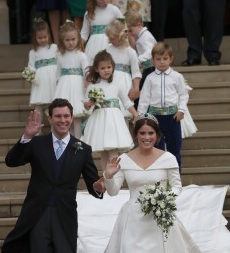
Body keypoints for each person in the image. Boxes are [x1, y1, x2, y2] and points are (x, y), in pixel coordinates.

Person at [1, 98, 104, 253]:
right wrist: (27, 136)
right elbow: (11, 161)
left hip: (65, 214)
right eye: (58, 116)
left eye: (66, 116)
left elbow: (93, 185)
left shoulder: (83, 149)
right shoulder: (36, 143)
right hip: (37, 213)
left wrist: (101, 185)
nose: (62, 120)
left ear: (71, 118)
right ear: (49, 119)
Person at [103, 113, 201, 252]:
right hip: (133, 220)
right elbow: (113, 192)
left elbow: (176, 186)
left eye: (151, 133)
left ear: (157, 135)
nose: (147, 137)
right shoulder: (124, 159)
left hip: (160, 216)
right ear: (136, 135)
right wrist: (108, 176)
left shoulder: (168, 158)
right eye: (142, 133)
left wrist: (162, 198)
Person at [83, 51, 138, 170]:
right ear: (97, 69)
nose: (107, 70)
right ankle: (106, 178)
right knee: (103, 152)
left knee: (113, 149)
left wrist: (136, 115)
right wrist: (90, 103)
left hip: (114, 121)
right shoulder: (92, 86)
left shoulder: (117, 84)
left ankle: (115, 178)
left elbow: (127, 102)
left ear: (113, 67)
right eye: (103, 68)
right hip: (100, 120)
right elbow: (87, 106)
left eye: (109, 67)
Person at [138, 42, 188, 170]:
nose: (162, 62)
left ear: (171, 59)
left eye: (165, 59)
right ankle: (159, 178)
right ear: (153, 60)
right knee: (156, 149)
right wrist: (142, 117)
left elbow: (183, 95)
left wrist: (181, 110)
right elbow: (144, 98)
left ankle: (175, 179)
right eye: (158, 59)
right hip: (155, 118)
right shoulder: (149, 78)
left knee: (174, 148)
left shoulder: (177, 77)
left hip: (172, 117)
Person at [54, 21, 88, 138]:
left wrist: (87, 82)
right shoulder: (60, 56)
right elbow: (58, 75)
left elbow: (86, 72)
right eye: (67, 40)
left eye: (73, 39)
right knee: (65, 116)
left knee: (77, 116)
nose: (70, 42)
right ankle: (67, 140)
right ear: (62, 41)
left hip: (77, 88)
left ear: (78, 39)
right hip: (64, 88)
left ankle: (78, 141)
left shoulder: (81, 55)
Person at [80, 0, 123, 65]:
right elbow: (84, 34)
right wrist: (76, 48)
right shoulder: (89, 13)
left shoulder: (114, 10)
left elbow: (124, 27)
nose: (105, 1)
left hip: (111, 44)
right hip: (93, 47)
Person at [105, 18, 142, 117]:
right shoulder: (107, 50)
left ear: (121, 36)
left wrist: (136, 88)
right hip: (110, 81)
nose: (110, 40)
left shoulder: (130, 52)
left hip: (124, 83)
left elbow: (136, 72)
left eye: (112, 38)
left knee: (124, 110)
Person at [26, 19, 57, 126]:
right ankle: (36, 130)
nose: (43, 40)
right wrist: (31, 76)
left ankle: (55, 130)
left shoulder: (54, 48)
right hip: (40, 81)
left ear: (49, 35)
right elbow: (31, 66)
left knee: (54, 105)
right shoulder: (33, 52)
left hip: (52, 79)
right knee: (39, 105)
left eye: (45, 37)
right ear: (35, 38)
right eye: (40, 38)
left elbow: (60, 62)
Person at [125, 11, 157, 92]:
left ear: (139, 25)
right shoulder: (141, 37)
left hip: (152, 68)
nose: (130, 34)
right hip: (147, 68)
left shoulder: (145, 37)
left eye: (130, 30)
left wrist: (137, 60)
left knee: (143, 88)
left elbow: (150, 52)